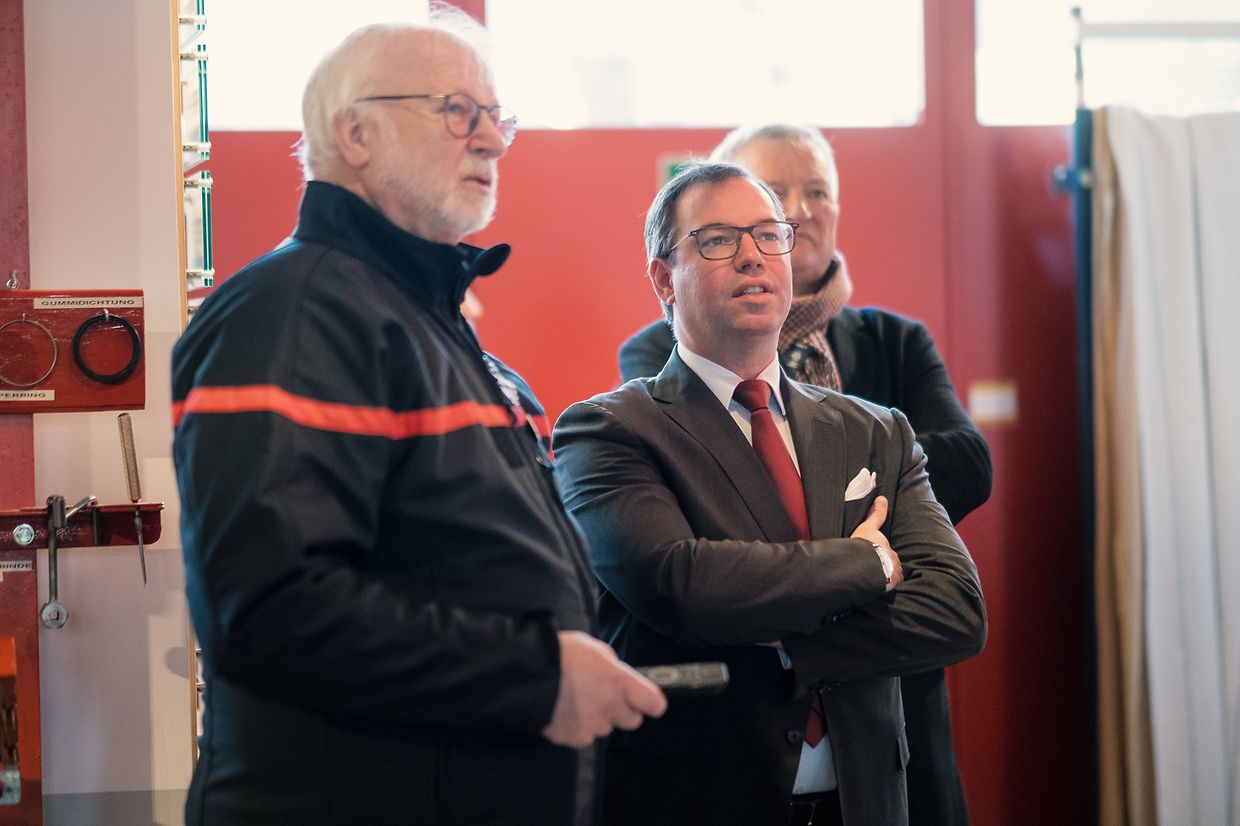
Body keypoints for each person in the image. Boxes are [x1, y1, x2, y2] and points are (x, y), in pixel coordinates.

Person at [172, 19, 664, 826]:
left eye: (497, 118)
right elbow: (270, 608)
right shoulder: (296, 313)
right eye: (457, 111)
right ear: (354, 132)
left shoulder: (425, 324)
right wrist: (534, 677)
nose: (492, 144)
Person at [553, 162, 987, 825]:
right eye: (719, 239)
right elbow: (683, 584)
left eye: (768, 236)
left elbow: (957, 610)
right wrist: (867, 564)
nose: (753, 257)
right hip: (695, 801)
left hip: (864, 802)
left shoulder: (876, 431)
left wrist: (786, 647)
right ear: (665, 278)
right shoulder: (608, 430)